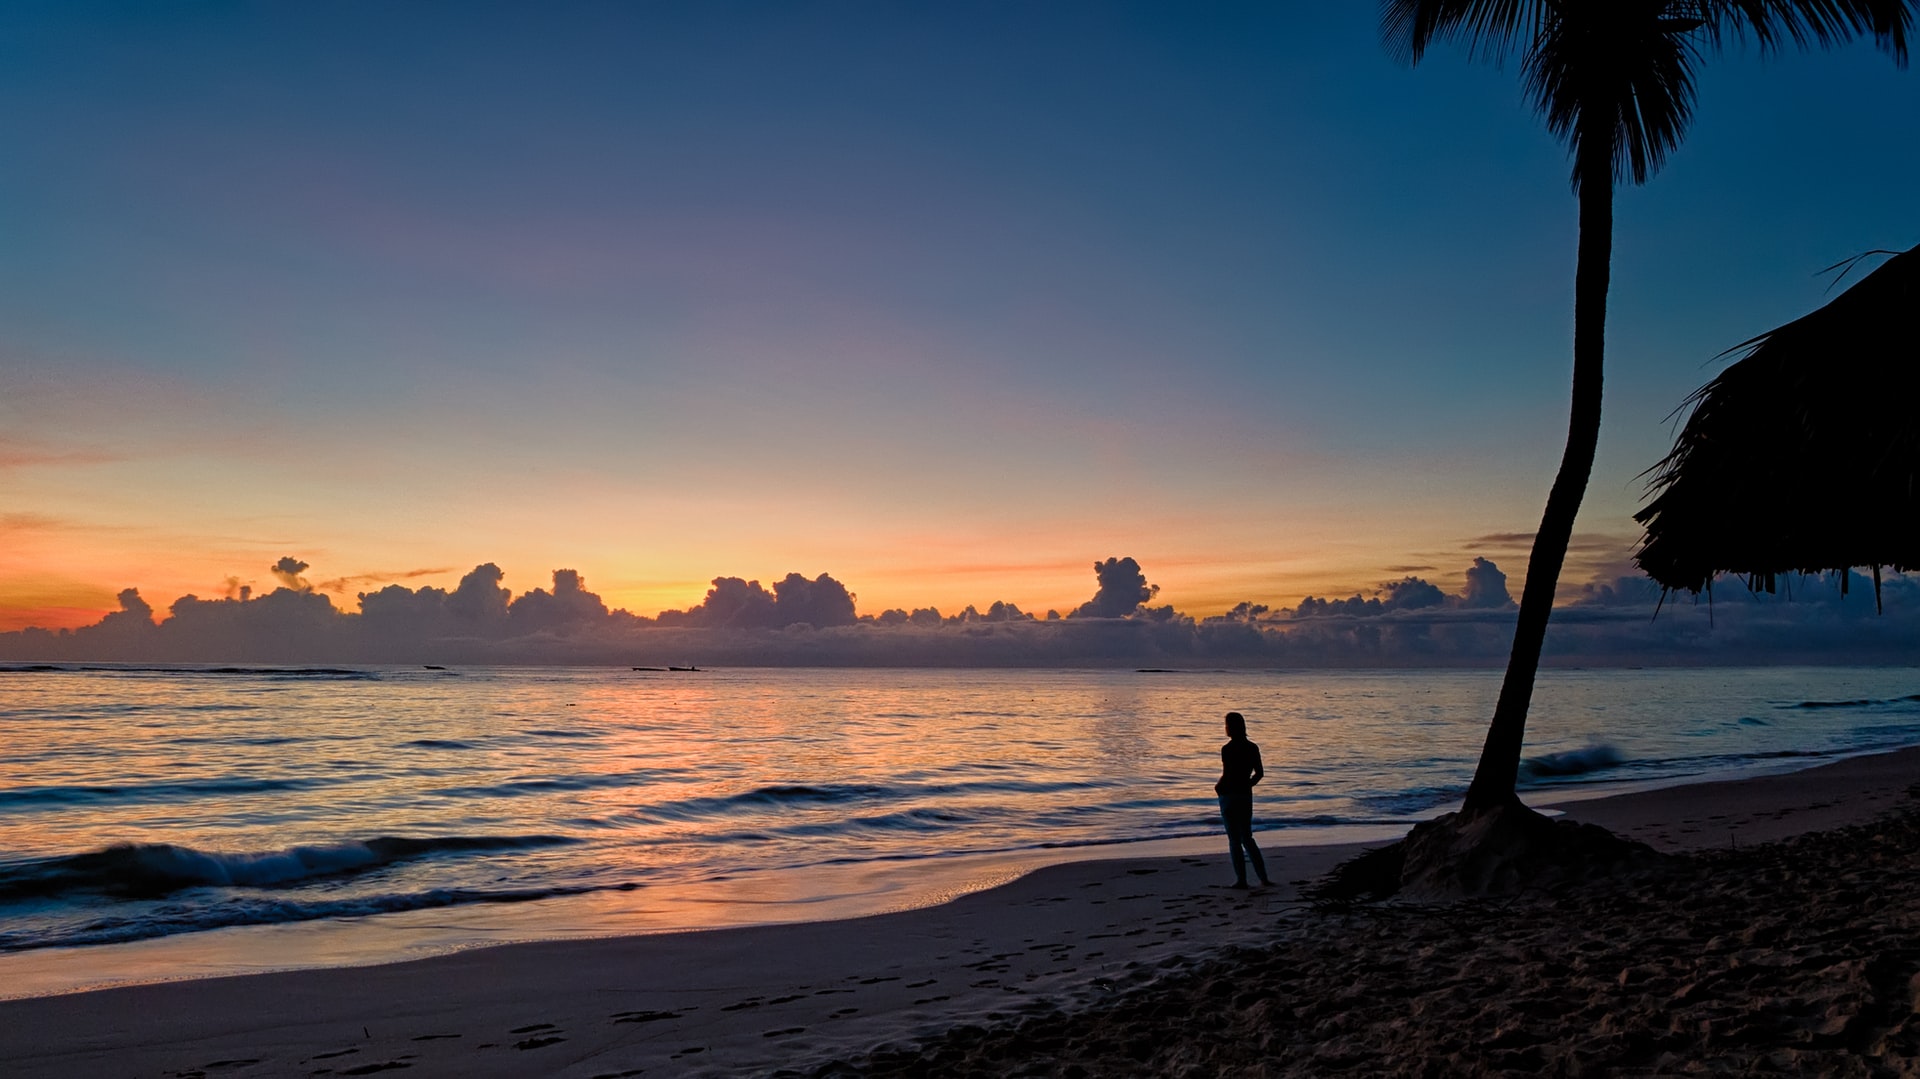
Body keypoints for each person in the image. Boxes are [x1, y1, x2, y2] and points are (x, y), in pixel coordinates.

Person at [1215, 710, 1270, 889]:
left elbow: (1227, 774)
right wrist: (1247, 785)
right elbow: (1259, 773)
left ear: (1230, 728)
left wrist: (1219, 787)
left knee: (1234, 839)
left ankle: (1241, 880)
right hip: (1244, 795)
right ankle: (1263, 878)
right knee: (1247, 837)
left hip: (1229, 794)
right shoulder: (1252, 747)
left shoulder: (1227, 749)